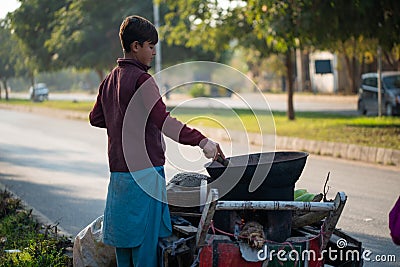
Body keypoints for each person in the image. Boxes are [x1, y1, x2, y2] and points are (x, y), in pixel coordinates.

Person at [88, 15, 224, 267]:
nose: (152, 52)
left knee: (124, 248)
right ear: (135, 46)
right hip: (145, 175)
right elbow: (164, 121)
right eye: (150, 46)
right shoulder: (142, 80)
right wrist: (202, 141)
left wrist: (124, 122)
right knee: (145, 251)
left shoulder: (109, 80)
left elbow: (96, 118)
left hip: (119, 177)